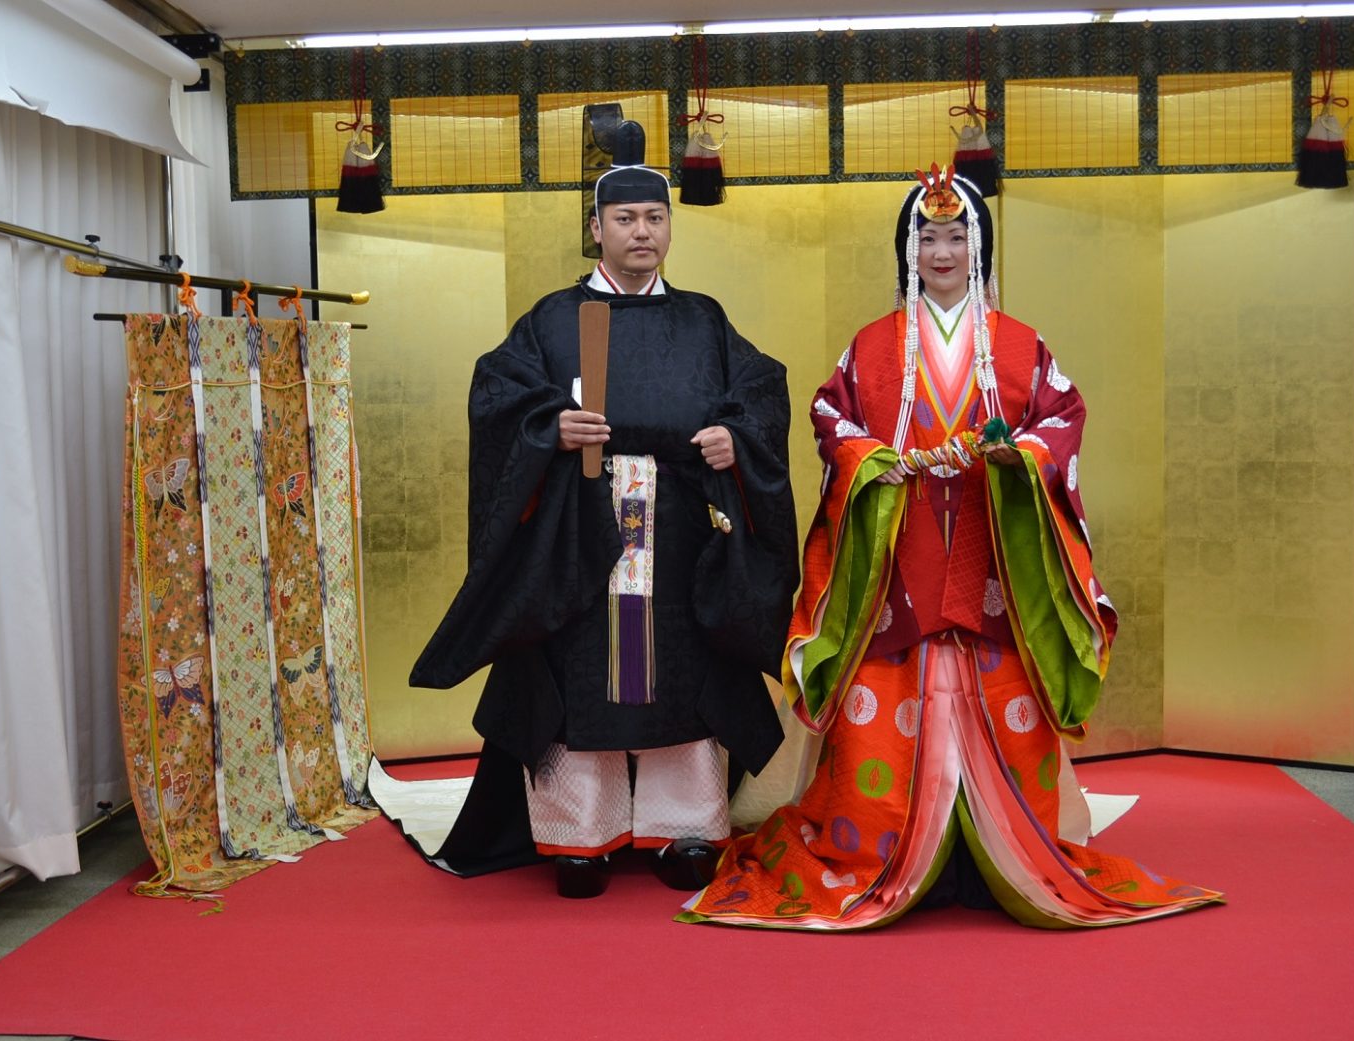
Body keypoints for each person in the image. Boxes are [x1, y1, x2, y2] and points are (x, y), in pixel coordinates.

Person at [678, 165, 1223, 930]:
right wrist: (873, 459)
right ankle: (889, 854)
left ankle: (992, 858)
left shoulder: (1021, 345)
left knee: (1003, 713)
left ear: (980, 247)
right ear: (907, 249)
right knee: (882, 717)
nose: (942, 252)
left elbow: (1061, 419)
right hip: (899, 560)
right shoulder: (872, 347)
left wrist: (1019, 456)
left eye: (957, 236)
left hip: (990, 555)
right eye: (927, 237)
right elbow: (831, 418)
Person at [405, 122, 799, 899]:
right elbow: (497, 398)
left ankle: (686, 829)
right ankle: (578, 835)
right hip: (581, 525)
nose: (641, 231)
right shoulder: (554, 320)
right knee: (581, 673)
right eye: (625, 218)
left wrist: (736, 437)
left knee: (683, 672)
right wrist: (549, 428)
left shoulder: (703, 319)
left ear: (670, 227)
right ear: (596, 228)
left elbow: (761, 392)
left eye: (654, 217)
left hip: (680, 525)